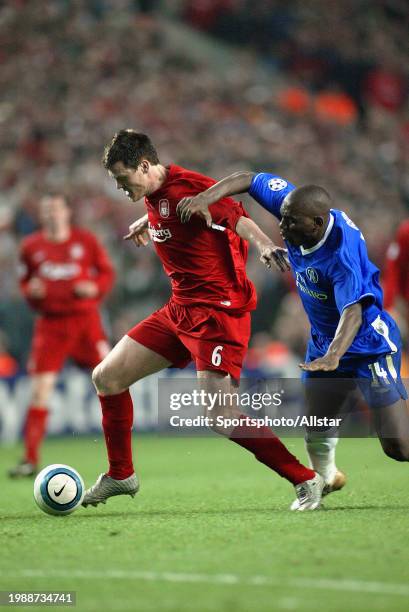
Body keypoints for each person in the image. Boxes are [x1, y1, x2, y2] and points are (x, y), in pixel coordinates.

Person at [82, 129, 324, 511]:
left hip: (217, 313)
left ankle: (306, 480)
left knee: (220, 414)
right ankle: (121, 474)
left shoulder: (191, 189)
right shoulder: (155, 192)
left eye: (122, 178)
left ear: (144, 166)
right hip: (179, 310)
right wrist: (148, 223)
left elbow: (237, 216)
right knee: (106, 377)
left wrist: (263, 246)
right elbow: (169, 213)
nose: (119, 186)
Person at [176, 173, 409, 509]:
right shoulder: (296, 206)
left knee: (398, 447)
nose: (281, 227)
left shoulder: (342, 255)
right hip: (324, 340)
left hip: (367, 344)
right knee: (316, 423)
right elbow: (248, 178)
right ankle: (325, 477)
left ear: (316, 223)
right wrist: (205, 198)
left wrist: (333, 357)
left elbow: (354, 312)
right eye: (281, 217)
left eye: (290, 222)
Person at [9, 194, 115, 477]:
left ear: (67, 212)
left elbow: (106, 274)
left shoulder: (86, 241)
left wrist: (95, 288)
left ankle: (119, 457)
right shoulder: (31, 247)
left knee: (112, 380)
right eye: (47, 210)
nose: (52, 214)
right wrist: (31, 294)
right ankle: (30, 459)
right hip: (50, 327)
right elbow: (24, 282)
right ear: (42, 216)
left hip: (86, 323)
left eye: (56, 209)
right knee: (40, 391)